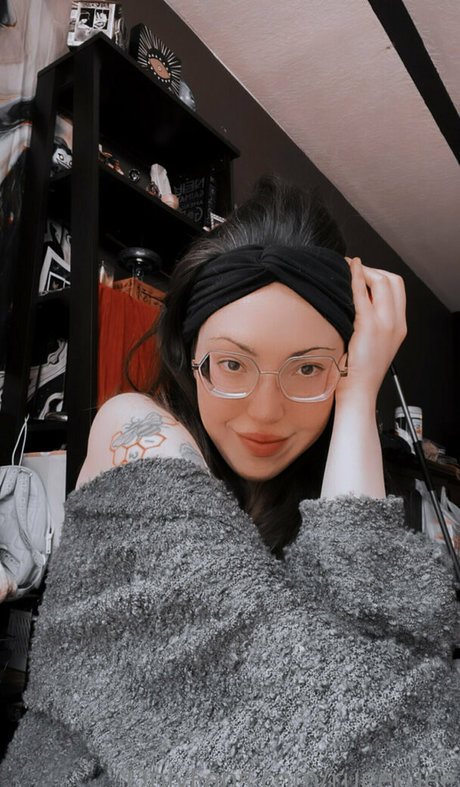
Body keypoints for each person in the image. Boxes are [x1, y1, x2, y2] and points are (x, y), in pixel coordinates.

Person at [1, 176, 459, 785]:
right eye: (232, 364)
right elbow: (362, 732)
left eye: (309, 369)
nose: (265, 413)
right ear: (191, 357)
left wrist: (356, 400)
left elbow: (376, 696)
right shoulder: (131, 429)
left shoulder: (334, 496)